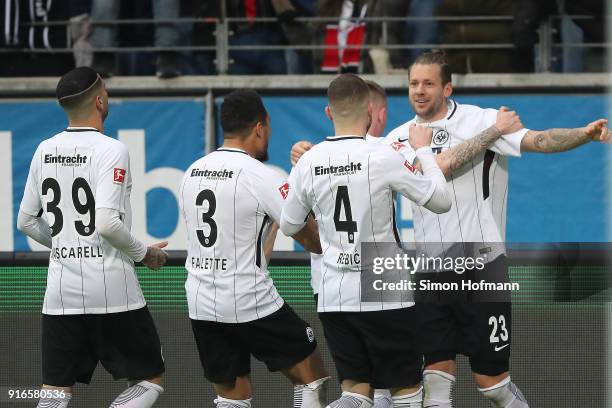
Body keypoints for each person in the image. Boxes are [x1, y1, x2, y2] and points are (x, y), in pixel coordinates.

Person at [383, 50, 611, 408]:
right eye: (413, 83)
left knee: (492, 385)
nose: (419, 90)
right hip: (429, 271)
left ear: (448, 88)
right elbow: (433, 169)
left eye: (428, 83)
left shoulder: (481, 120)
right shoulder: (398, 140)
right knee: (435, 380)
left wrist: (582, 134)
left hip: (482, 268)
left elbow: (539, 140)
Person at [280, 73, 453, 408]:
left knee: (355, 391)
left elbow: (290, 225)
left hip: (334, 291)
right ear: (371, 112)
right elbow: (440, 200)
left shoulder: (309, 162)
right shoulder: (383, 155)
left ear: (329, 113)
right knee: (406, 390)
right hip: (383, 283)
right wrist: (423, 150)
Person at [17, 67, 169, 408]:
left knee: (54, 393)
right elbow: (107, 225)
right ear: (99, 101)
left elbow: (26, 221)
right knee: (148, 381)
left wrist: (67, 245)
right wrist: (145, 254)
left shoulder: (44, 149)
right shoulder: (111, 149)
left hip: (59, 294)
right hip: (112, 290)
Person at [179, 89, 329, 408]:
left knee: (233, 398)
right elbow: (314, 241)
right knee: (312, 378)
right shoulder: (260, 175)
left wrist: (274, 220)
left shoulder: (191, 172)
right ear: (260, 127)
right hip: (249, 299)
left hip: (202, 302)